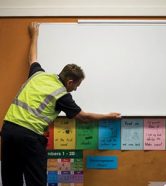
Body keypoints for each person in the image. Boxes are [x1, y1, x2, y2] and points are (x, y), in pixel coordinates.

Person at [0, 22, 121, 186]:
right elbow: (83, 117)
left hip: (8, 131)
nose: (75, 90)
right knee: (36, 181)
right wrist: (108, 116)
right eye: (76, 86)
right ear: (70, 82)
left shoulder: (39, 75)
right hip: (30, 137)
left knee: (10, 179)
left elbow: (32, 59)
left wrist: (34, 35)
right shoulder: (61, 94)